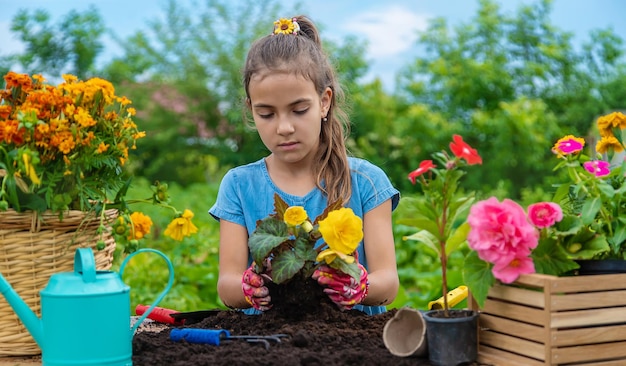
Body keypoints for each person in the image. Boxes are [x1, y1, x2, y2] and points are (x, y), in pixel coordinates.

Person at [209, 15, 399, 315]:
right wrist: (249, 288)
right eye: (266, 114)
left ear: (324, 102)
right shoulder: (238, 185)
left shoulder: (366, 181)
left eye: (298, 110)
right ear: (250, 110)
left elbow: (387, 283)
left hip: (350, 345)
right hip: (265, 345)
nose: (284, 127)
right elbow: (227, 285)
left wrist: (358, 287)